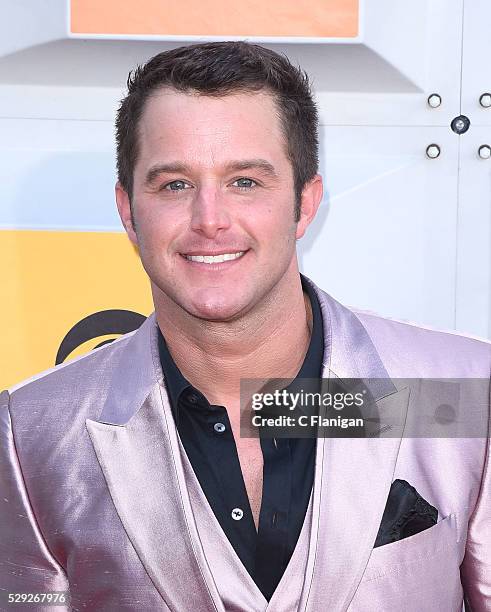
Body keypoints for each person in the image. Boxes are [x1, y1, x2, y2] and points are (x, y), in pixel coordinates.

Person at [0, 41, 489, 612]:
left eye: (246, 182)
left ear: (305, 205)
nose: (210, 220)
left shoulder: (461, 392)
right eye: (175, 185)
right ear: (129, 213)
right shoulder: (32, 432)